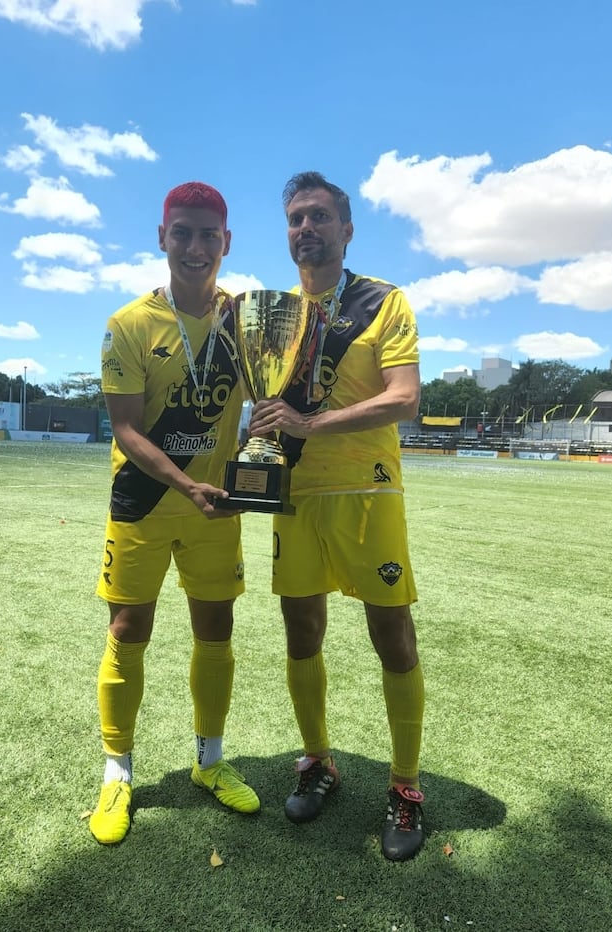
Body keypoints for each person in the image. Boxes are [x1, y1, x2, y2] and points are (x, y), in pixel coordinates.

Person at [249, 171, 425, 862]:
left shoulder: (384, 302)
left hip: (368, 493)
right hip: (294, 494)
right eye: (296, 218)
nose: (306, 228)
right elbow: (265, 404)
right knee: (301, 633)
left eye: (320, 216)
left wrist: (308, 421)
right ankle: (318, 762)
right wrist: (259, 441)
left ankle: (406, 788)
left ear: (347, 229)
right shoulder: (272, 316)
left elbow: (404, 397)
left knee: (392, 634)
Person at [89, 181, 260, 845]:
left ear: (226, 243)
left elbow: (264, 400)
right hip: (145, 504)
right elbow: (127, 430)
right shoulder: (128, 325)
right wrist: (187, 485)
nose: (195, 248)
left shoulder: (244, 325)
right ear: (162, 238)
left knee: (215, 627)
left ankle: (210, 763)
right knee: (129, 628)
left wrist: (257, 449)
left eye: (207, 235)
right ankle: (116, 771)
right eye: (182, 233)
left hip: (215, 507)